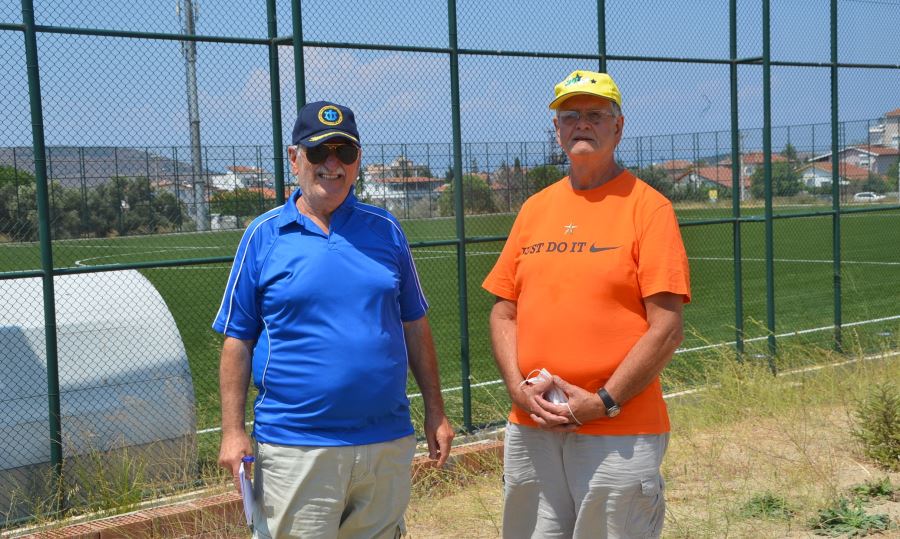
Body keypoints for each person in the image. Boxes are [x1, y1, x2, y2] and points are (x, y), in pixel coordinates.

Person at [213, 101, 454, 539]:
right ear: (294, 159)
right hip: (296, 447)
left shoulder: (386, 230)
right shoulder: (263, 235)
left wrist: (436, 412)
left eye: (344, 152)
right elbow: (238, 340)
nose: (332, 164)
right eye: (318, 151)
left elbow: (415, 325)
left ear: (357, 160)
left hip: (384, 442)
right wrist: (232, 432)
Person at [482, 70, 691, 538]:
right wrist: (518, 390)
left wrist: (604, 401)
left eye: (595, 115)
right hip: (532, 425)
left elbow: (666, 328)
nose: (581, 124)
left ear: (618, 127)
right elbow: (503, 311)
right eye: (569, 115)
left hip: (618, 430)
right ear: (556, 129)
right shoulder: (535, 209)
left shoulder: (648, 208)